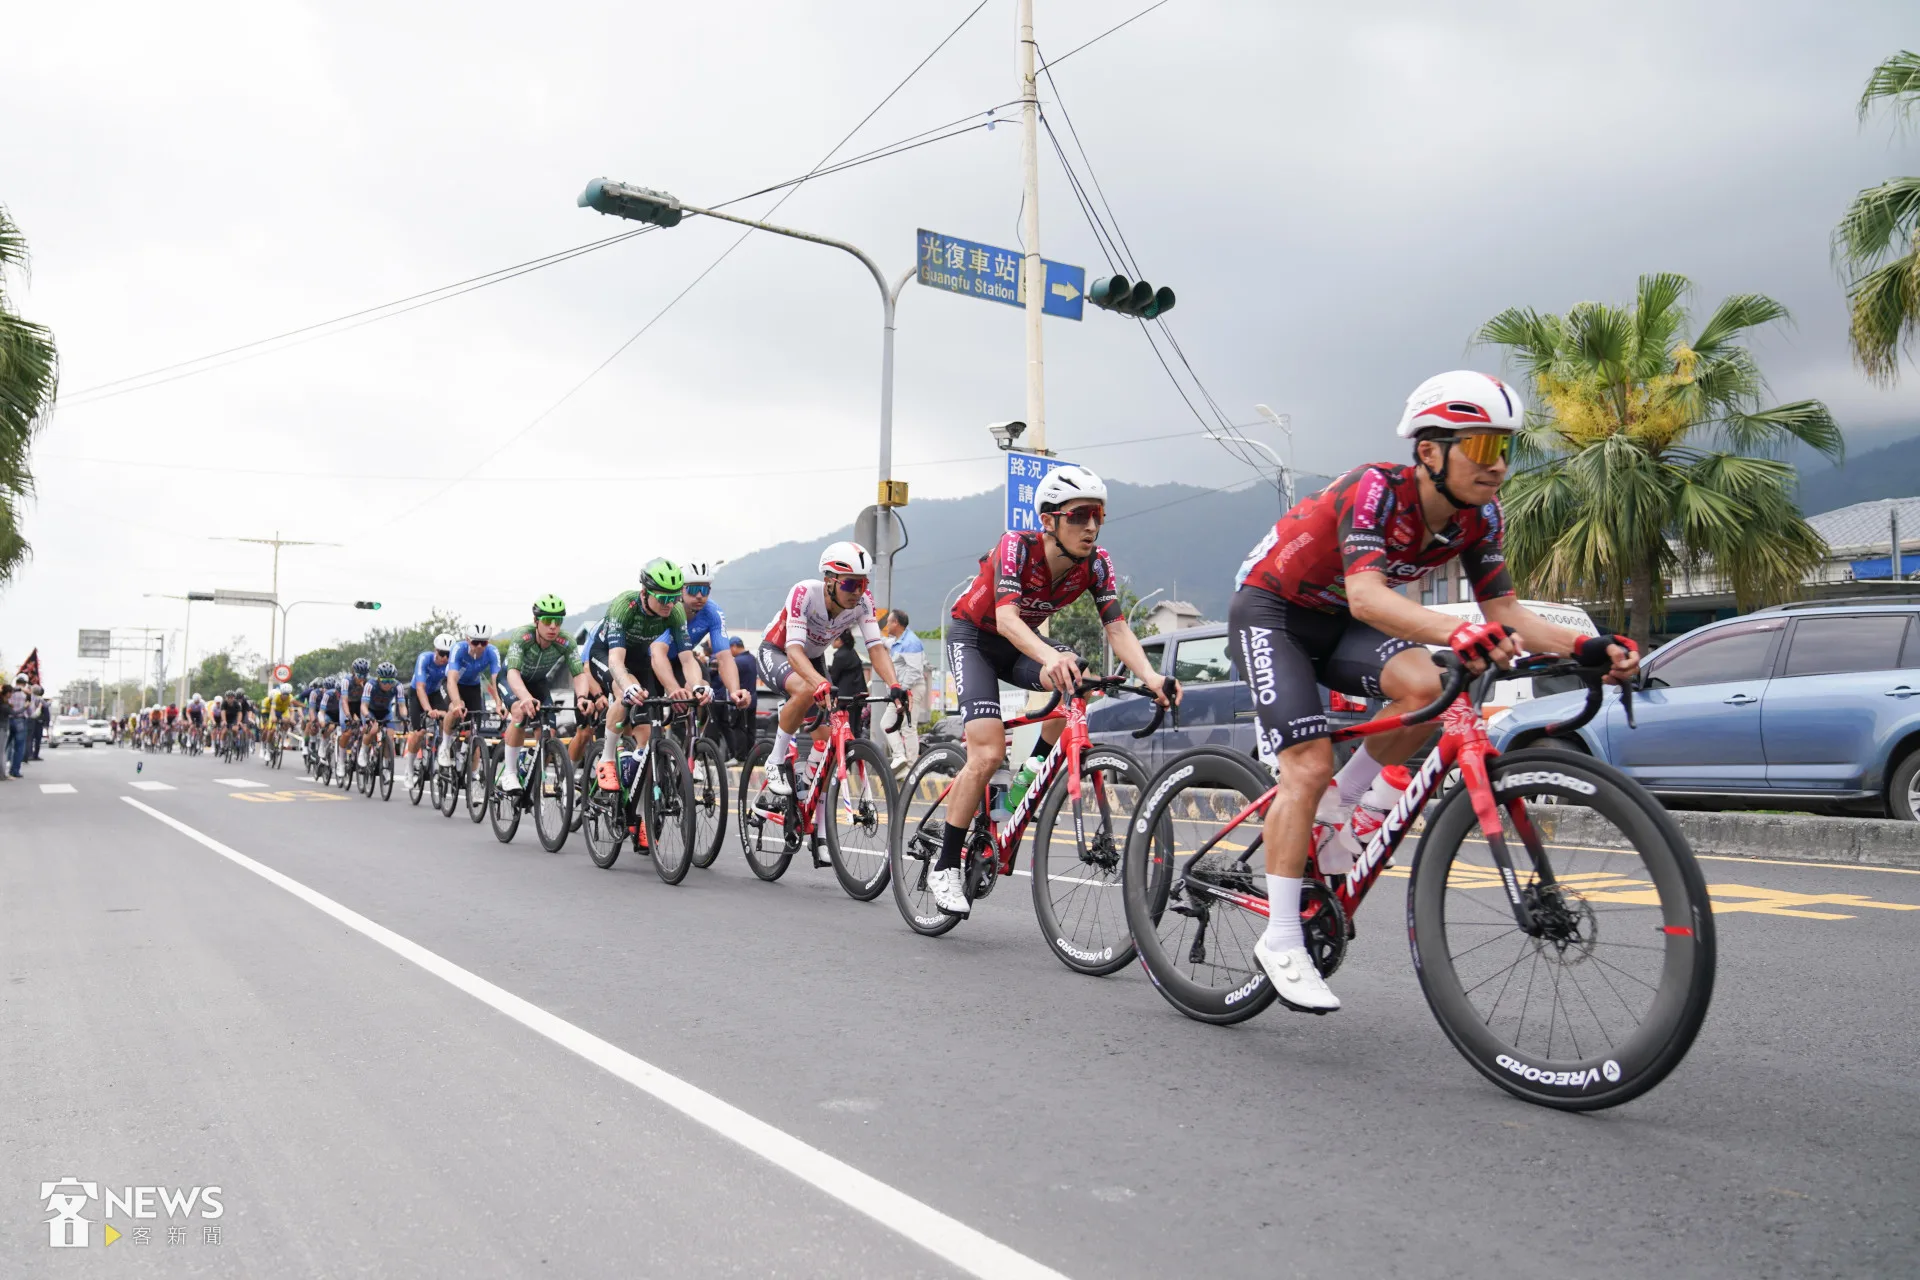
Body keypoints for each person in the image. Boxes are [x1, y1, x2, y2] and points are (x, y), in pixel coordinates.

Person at [1227, 369, 1639, 1014]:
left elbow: (1509, 614)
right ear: (1429, 450)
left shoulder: (1479, 517)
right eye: (1480, 448)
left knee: (1425, 684)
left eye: (1507, 448)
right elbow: (1368, 594)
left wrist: (1586, 646)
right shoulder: (1375, 490)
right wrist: (1461, 629)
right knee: (1306, 766)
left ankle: (1354, 804)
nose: (1497, 464)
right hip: (1274, 611)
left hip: (1342, 625)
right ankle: (1281, 940)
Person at [931, 466, 1176, 916]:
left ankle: (1029, 774)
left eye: (1098, 515)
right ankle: (945, 865)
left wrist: (1152, 676)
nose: (1091, 527)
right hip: (976, 638)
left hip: (1020, 644)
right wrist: (1049, 655)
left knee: (1076, 678)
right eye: (1079, 516)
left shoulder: (1096, 564)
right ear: (1049, 520)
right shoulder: (1016, 547)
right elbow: (1006, 620)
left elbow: (1117, 627)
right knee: (985, 755)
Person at [754, 541, 907, 813]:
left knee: (827, 746)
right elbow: (793, 650)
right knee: (803, 689)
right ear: (829, 581)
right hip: (779, 650)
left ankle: (820, 832)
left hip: (812, 658)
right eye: (850, 584)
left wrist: (895, 685)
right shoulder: (805, 593)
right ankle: (775, 761)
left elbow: (875, 648)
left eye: (863, 584)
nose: (857, 592)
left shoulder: (863, 602)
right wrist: (819, 682)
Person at [583, 559, 704, 792]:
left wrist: (697, 685)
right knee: (623, 692)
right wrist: (627, 686)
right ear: (644, 592)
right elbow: (616, 661)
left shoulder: (675, 612)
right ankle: (607, 759)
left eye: (674, 597)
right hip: (606, 652)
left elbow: (688, 659)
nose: (670, 604)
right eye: (663, 598)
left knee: (647, 733)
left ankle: (638, 801)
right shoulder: (624, 605)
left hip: (639, 657)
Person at [498, 597, 586, 793]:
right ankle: (509, 773)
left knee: (549, 734)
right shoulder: (523, 636)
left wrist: (581, 697)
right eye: (547, 620)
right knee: (519, 713)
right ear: (536, 621)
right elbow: (512, 673)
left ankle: (530, 767)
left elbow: (579, 674)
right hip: (512, 679)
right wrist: (524, 698)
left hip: (538, 682)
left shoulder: (566, 641)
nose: (553, 626)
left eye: (558, 621)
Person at [882, 609, 927, 771]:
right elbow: (888, 643)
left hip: (910, 689)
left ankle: (911, 767)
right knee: (887, 724)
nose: (886, 624)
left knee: (908, 727)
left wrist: (903, 689)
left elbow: (915, 670)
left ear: (896, 623)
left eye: (888, 621)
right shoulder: (899, 640)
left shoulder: (911, 642)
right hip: (901, 690)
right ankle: (900, 757)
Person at [722, 636, 760, 762]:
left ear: (734, 646)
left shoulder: (737, 662)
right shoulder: (752, 659)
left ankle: (739, 757)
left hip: (740, 700)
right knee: (750, 729)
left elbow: (725, 676)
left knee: (738, 728)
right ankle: (750, 756)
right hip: (753, 699)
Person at [829, 631, 870, 738]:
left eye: (834, 638)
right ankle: (858, 749)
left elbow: (834, 677)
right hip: (859, 694)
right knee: (856, 727)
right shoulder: (852, 652)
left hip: (845, 697)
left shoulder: (839, 656)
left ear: (839, 640)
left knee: (846, 726)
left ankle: (847, 751)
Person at [4, 676, 30, 778]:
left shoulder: (8, 692)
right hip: (20, 720)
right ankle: (14, 771)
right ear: (24, 684)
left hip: (7, 720)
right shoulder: (26, 694)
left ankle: (3, 768)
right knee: (19, 747)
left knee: (5, 746)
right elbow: (29, 710)